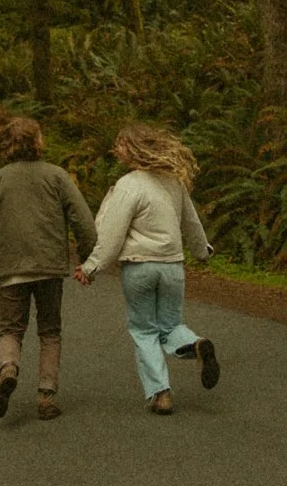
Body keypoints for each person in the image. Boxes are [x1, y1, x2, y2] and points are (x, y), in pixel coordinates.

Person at [0, 113, 98, 421]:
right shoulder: (57, 176)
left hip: (10, 269)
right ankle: (46, 395)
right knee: (50, 331)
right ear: (38, 143)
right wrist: (89, 259)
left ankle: (8, 368)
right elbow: (83, 220)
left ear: (8, 145)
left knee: (11, 328)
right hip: (49, 267)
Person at [75, 123, 219, 415]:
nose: (116, 150)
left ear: (134, 148)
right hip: (172, 267)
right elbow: (191, 223)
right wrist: (202, 251)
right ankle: (196, 343)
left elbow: (112, 235)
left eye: (120, 145)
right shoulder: (173, 182)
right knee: (171, 325)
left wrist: (91, 267)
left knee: (144, 331)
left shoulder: (129, 186)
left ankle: (161, 394)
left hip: (139, 268)